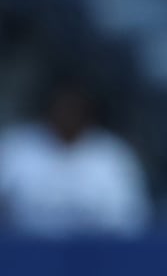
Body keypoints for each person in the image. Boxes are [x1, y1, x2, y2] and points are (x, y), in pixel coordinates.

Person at [0, 73, 151, 237]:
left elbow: (132, 220)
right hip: (23, 253)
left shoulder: (113, 156)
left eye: (75, 109)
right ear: (48, 109)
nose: (68, 115)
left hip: (95, 255)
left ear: (89, 113)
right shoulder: (15, 148)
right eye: (62, 107)